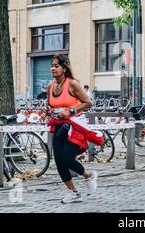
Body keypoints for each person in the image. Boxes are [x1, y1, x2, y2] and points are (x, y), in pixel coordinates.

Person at [46, 54, 96, 203]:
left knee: (67, 158)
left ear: (64, 67)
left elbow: (88, 103)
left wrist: (71, 111)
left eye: (56, 66)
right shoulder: (51, 86)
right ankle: (74, 192)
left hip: (73, 125)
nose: (53, 69)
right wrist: (50, 111)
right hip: (58, 125)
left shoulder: (72, 84)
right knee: (59, 162)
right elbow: (52, 105)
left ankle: (89, 176)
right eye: (52, 66)